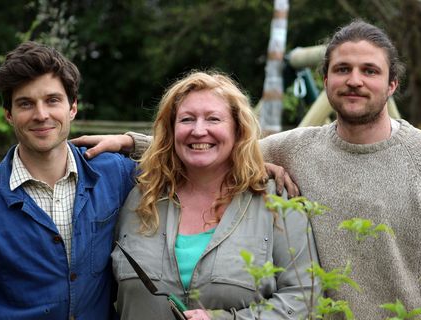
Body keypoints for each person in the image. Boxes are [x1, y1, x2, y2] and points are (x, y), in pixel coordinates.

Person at [74, 20, 421, 318]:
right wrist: (130, 143)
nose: (354, 80)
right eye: (343, 69)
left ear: (392, 84)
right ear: (326, 80)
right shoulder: (292, 148)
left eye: (369, 70)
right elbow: (210, 150)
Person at [111, 71, 320, 319]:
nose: (199, 131)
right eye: (187, 119)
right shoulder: (140, 198)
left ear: (237, 130)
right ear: (171, 130)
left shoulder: (276, 202)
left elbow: (305, 299)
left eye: (213, 119)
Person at [0, 42, 136, 319]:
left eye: (52, 100)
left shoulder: (114, 173)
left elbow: (189, 156)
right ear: (9, 115)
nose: (41, 115)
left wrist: (131, 141)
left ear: (72, 107)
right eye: (26, 103)